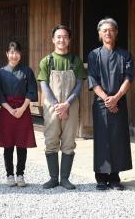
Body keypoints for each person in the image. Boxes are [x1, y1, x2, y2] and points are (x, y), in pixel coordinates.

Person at [88, 18, 134, 191]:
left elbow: (129, 78)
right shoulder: (94, 54)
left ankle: (114, 177)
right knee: (101, 140)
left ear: (116, 33)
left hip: (119, 103)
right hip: (101, 103)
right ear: (100, 34)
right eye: (104, 30)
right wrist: (108, 99)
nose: (108, 33)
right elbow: (92, 79)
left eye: (111, 30)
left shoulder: (125, 54)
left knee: (118, 139)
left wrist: (116, 97)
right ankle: (100, 177)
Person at [37, 25, 85, 190]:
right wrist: (58, 106)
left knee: (69, 141)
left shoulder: (75, 60)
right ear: (53, 39)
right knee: (51, 140)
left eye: (65, 37)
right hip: (52, 106)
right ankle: (52, 178)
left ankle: (65, 179)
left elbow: (79, 84)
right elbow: (44, 85)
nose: (61, 40)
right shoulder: (47, 61)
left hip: (71, 105)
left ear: (69, 40)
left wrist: (67, 104)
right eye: (58, 37)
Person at [0, 41, 37, 187]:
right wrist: (10, 109)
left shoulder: (27, 71)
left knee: (22, 144)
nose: (14, 55)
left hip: (23, 110)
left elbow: (31, 91)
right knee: (8, 144)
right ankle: (9, 175)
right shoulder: (1, 72)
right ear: (7, 54)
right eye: (11, 52)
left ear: (21, 54)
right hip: (7, 111)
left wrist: (22, 108)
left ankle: (20, 174)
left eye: (17, 52)